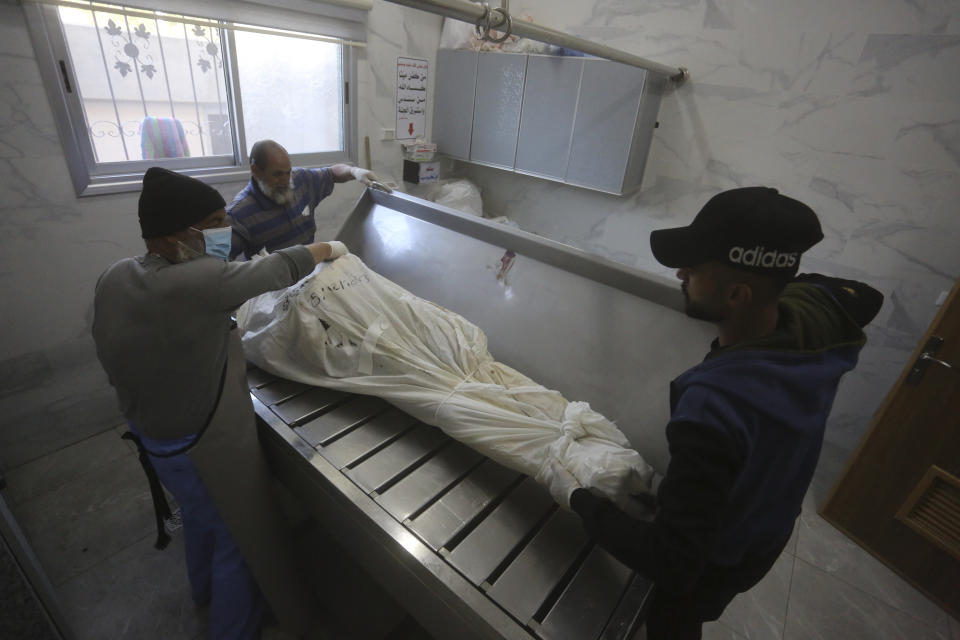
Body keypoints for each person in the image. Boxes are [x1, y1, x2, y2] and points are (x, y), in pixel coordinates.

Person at [553, 187, 883, 639]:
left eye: (695, 268)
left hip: (716, 560)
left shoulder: (713, 408)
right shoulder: (820, 317)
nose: (680, 272)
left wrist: (580, 501)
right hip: (768, 528)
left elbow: (671, 563)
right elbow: (867, 295)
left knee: (675, 616)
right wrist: (789, 283)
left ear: (737, 295)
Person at [92, 167, 348, 640]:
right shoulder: (200, 281)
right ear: (173, 235)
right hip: (198, 443)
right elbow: (274, 269)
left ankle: (203, 593)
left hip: (151, 433)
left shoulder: (116, 276)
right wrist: (330, 249)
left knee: (199, 518)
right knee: (237, 535)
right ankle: (233, 628)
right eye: (213, 222)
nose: (223, 232)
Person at [227, 139, 390, 259]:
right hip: (275, 290)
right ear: (256, 171)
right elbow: (218, 266)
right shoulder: (239, 214)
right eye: (277, 174)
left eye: (287, 172)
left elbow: (332, 173)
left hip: (311, 273)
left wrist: (354, 172)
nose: (285, 180)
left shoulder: (300, 180)